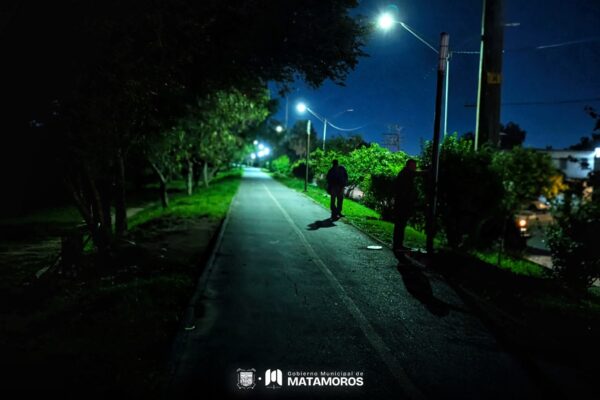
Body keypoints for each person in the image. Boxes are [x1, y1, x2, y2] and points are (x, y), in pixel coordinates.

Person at [393, 159, 422, 257]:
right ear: (409, 165)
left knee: (400, 226)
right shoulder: (405, 174)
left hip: (402, 204)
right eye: (413, 166)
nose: (415, 168)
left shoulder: (405, 173)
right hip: (402, 205)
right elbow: (416, 174)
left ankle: (398, 245)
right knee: (400, 225)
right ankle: (397, 245)